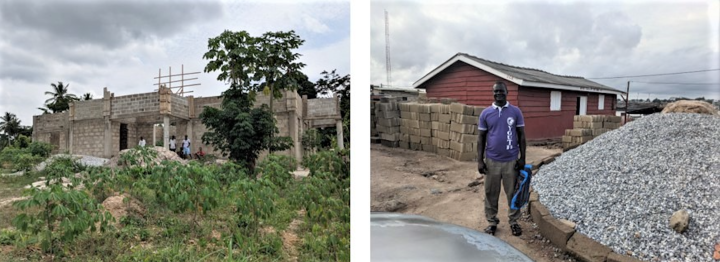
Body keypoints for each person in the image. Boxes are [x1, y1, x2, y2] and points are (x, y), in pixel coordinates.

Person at [477, 81, 526, 237]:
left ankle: (514, 222)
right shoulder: (485, 113)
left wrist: (522, 158)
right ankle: (492, 222)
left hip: (511, 161)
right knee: (491, 193)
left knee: (513, 193)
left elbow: (522, 135)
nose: (498, 94)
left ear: (507, 92)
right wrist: (480, 160)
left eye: (501, 91)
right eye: (496, 91)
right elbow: (481, 138)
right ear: (493, 93)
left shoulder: (515, 111)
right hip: (491, 161)